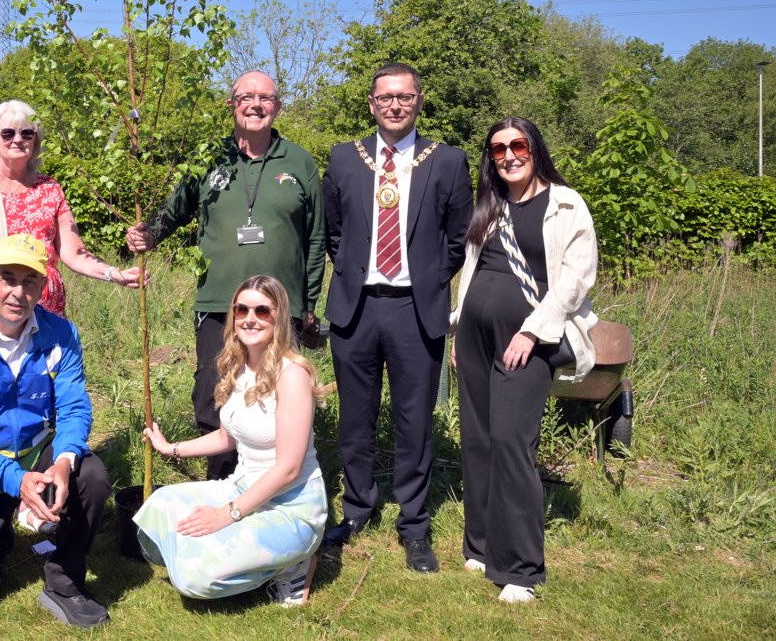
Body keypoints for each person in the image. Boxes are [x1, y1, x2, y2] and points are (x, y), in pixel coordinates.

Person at [0, 99, 142, 487]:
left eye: (27, 132)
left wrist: (114, 274)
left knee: (38, 397)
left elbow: (73, 252)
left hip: (42, 312)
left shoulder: (50, 189)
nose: (18, 139)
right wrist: (7, 297)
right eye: (8, 132)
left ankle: (45, 479)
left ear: (37, 140)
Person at [127, 71, 326, 481]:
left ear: (277, 107)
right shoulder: (208, 159)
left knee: (277, 395)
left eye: (265, 98)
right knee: (212, 392)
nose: (256, 105)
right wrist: (148, 234)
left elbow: (316, 236)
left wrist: (307, 305)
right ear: (231, 104)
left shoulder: (299, 161)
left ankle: (277, 483)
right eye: (246, 97)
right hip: (220, 303)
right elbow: (173, 211)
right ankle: (221, 482)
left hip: (279, 307)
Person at [320, 62, 472, 573]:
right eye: (385, 97)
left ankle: (414, 525)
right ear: (371, 103)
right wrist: (357, 272)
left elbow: (458, 238)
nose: (394, 105)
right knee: (354, 418)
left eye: (404, 96)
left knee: (415, 421)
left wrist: (429, 278)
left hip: (416, 308)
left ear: (419, 101)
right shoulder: (345, 157)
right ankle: (357, 510)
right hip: (357, 307)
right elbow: (335, 232)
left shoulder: (447, 160)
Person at [0, 233, 111, 627]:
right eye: (8, 278)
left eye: (29, 281)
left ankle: (64, 583)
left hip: (35, 455)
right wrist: (16, 482)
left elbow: (74, 408)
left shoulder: (62, 334)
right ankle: (0, 525)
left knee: (92, 475)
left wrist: (63, 462)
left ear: (43, 286)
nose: (18, 292)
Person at [451, 117, 597, 603]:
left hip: (532, 338)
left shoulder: (566, 204)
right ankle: (481, 544)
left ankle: (520, 569)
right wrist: (459, 327)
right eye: (498, 149)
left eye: (518, 146)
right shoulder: (490, 205)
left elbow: (576, 279)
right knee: (478, 440)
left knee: (512, 442)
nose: (509, 155)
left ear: (535, 149)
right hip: (475, 335)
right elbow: (473, 269)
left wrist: (533, 330)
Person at [135, 275, 328, 606]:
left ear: (279, 317)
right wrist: (172, 449)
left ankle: (294, 565)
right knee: (158, 508)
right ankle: (236, 550)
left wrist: (227, 514)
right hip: (241, 487)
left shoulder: (292, 375)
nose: (250, 319)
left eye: (262, 311)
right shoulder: (239, 365)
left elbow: (289, 469)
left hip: (290, 506)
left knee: (193, 578)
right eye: (242, 309)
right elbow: (229, 435)